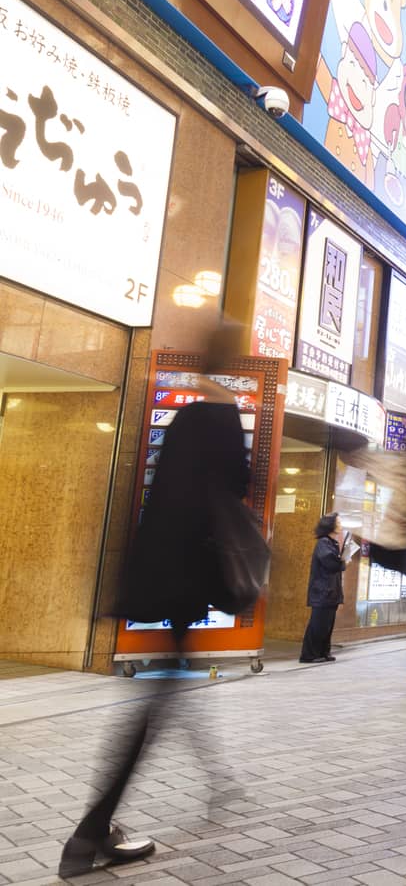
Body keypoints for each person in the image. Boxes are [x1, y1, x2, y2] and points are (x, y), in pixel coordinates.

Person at [60, 323, 248, 878]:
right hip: (191, 569)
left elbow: (162, 488)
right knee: (156, 702)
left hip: (162, 564)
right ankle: (89, 833)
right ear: (231, 358)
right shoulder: (220, 411)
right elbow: (237, 482)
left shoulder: (187, 413)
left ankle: (212, 780)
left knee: (167, 689)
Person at [300, 513, 347, 664]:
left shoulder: (331, 543)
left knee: (327, 625)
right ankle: (308, 655)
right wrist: (343, 561)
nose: (341, 525)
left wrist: (342, 561)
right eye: (338, 522)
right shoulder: (323, 543)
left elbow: (336, 564)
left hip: (330, 592)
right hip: (322, 592)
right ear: (330, 525)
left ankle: (323, 652)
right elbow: (332, 564)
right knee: (318, 625)